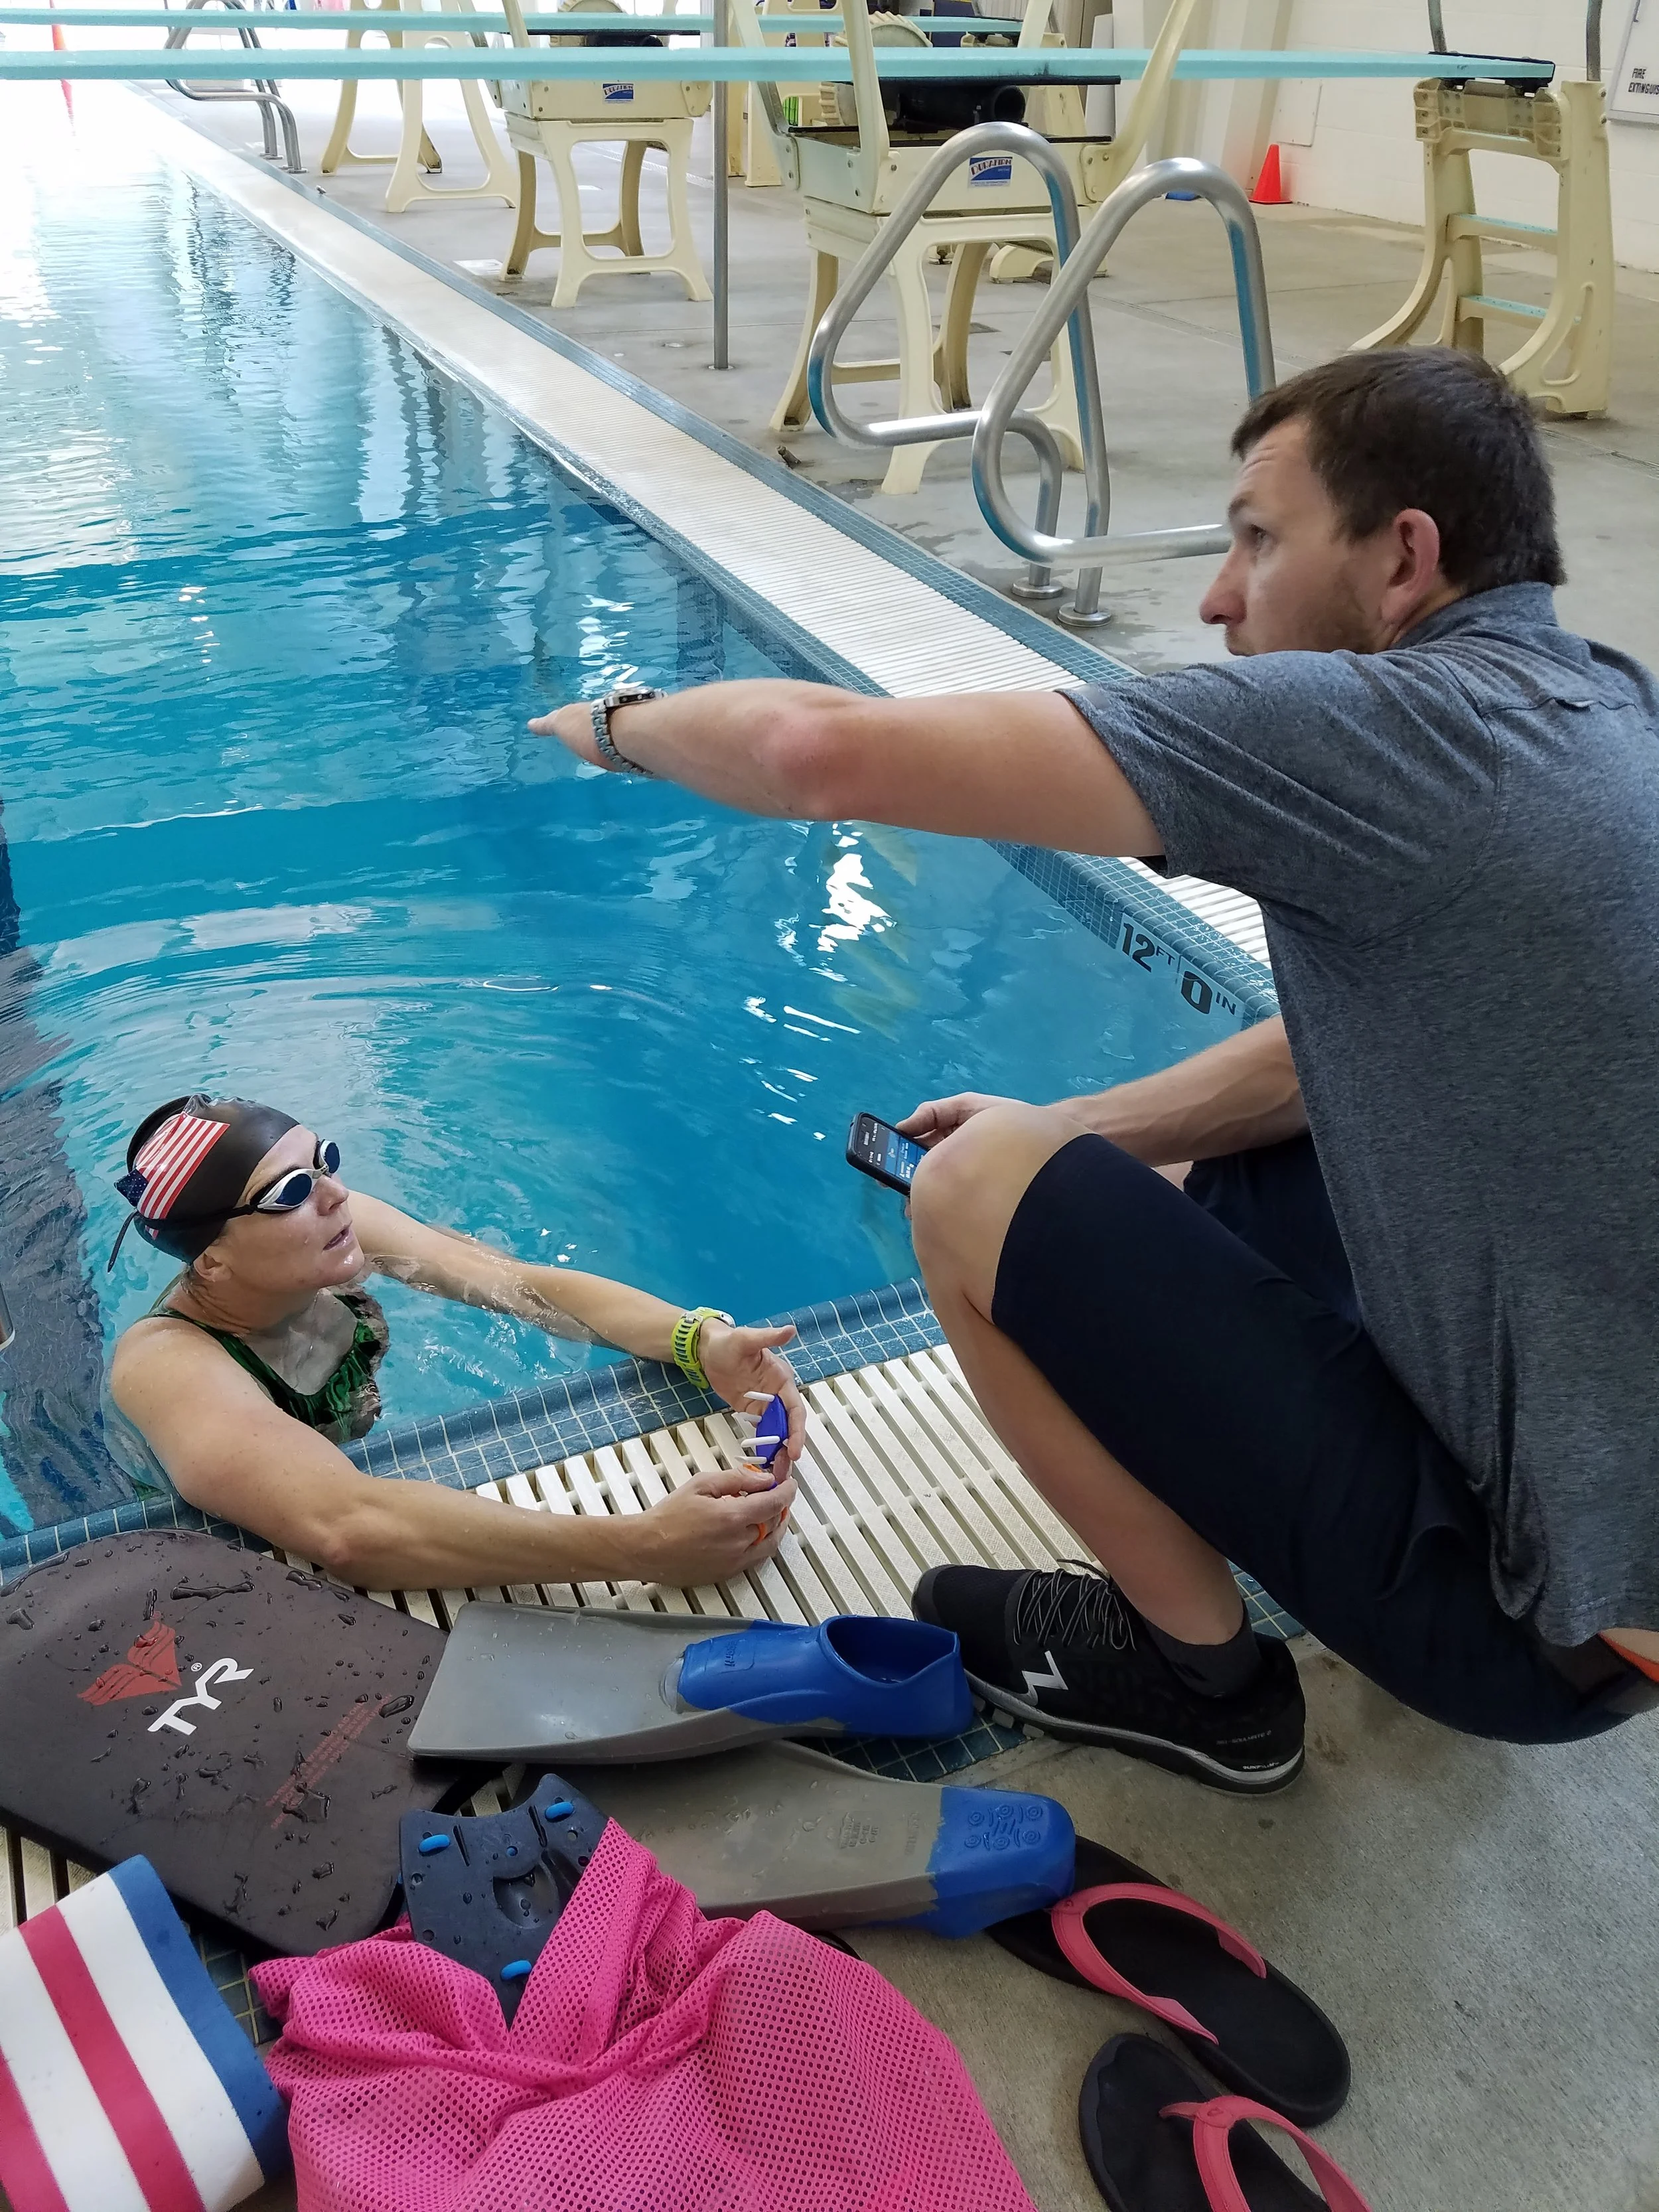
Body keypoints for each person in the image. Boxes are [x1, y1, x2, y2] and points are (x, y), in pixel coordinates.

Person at [531, 346, 1659, 1793]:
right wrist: (1084, 1128)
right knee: (1147, 1170)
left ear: (1401, 560)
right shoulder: (1600, 707)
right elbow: (1348, 1055)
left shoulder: (1376, 735)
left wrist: (614, 727)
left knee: (968, 1188)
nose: (1214, 595)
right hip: (1617, 1586)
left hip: (1533, 1637)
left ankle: (1198, 1680)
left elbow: (816, 752)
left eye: (1256, 538)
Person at [108, 1094, 802, 1591]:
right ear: (211, 1260)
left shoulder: (333, 1238)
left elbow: (519, 1286)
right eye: (291, 1190)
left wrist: (696, 1337)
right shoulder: (168, 1366)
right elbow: (348, 1529)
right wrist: (644, 1546)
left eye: (325, 1161)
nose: (337, 1195)